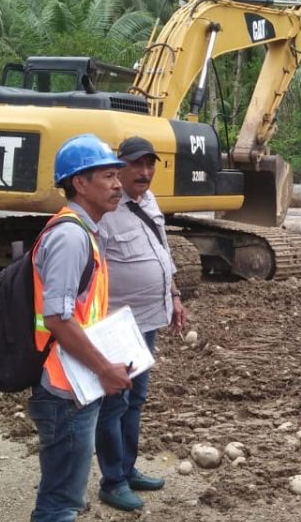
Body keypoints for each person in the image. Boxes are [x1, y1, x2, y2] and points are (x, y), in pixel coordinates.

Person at [29, 134, 133, 522]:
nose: (118, 184)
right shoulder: (71, 237)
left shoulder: (83, 232)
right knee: (61, 502)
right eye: (108, 175)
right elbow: (58, 318)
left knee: (64, 492)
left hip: (76, 381)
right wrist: (104, 368)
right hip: (66, 388)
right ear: (79, 183)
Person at [94, 136, 188, 512]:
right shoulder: (105, 209)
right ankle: (112, 481)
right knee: (115, 403)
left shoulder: (149, 201)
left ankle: (127, 468)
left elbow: (161, 252)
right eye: (137, 165)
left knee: (136, 400)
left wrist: (175, 296)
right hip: (117, 324)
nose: (145, 172)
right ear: (119, 168)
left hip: (149, 319)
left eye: (150, 165)